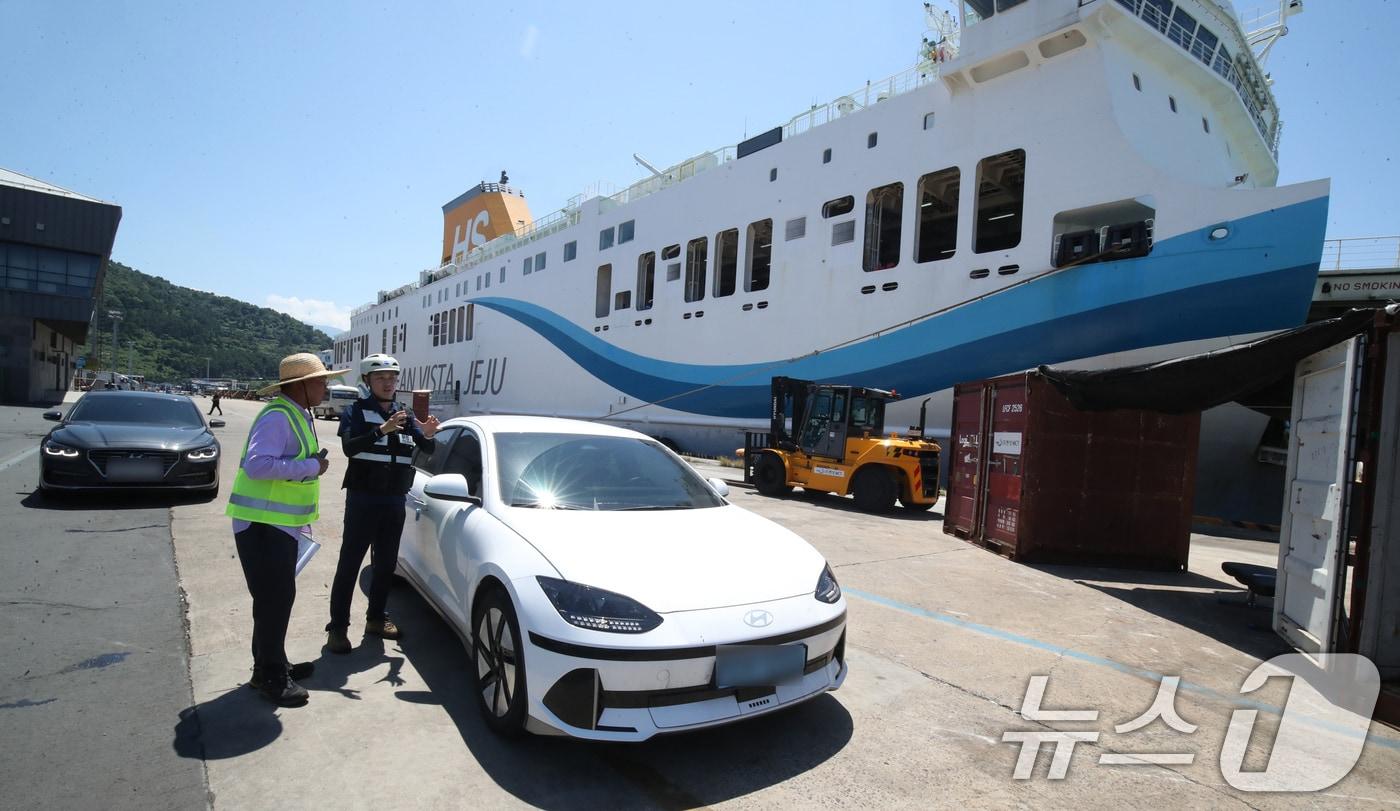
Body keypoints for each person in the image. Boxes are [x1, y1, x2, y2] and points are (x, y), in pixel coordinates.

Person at [226, 353, 344, 707]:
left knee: (274, 599)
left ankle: (270, 663)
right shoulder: (279, 416)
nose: (327, 386)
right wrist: (312, 465)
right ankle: (271, 675)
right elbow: (257, 465)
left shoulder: (298, 414)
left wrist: (308, 467)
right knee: (274, 599)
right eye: (321, 381)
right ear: (300, 385)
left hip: (277, 524)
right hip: (262, 523)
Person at [325, 353, 439, 654]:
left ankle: (375, 618)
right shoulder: (356, 412)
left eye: (392, 378)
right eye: (380, 378)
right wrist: (380, 430)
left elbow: (426, 448)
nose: (388, 383)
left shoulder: (404, 413)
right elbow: (350, 448)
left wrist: (427, 434)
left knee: (386, 565)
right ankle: (337, 628)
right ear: (367, 381)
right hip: (363, 498)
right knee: (349, 564)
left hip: (394, 499)